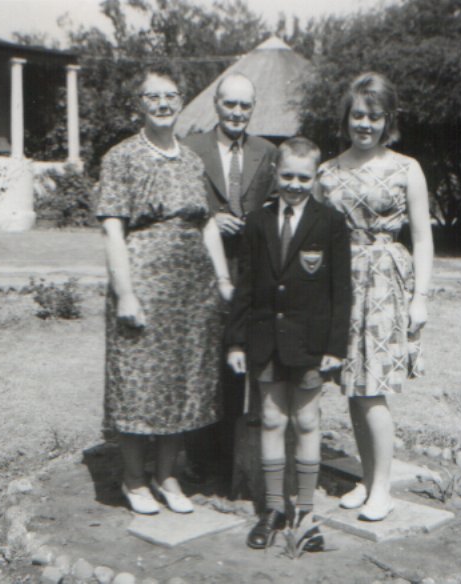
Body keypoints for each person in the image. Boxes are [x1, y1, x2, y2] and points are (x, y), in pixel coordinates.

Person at [96, 66, 233, 515]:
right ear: (139, 104)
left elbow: (207, 225)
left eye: (170, 95)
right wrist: (126, 293)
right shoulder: (120, 157)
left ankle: (167, 475)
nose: (162, 104)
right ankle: (134, 478)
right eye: (152, 96)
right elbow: (113, 231)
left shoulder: (191, 160)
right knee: (137, 380)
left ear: (181, 101)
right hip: (144, 284)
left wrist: (222, 280)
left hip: (192, 292)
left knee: (182, 381)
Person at [318, 72, 434, 521]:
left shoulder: (407, 169)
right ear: (346, 118)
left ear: (388, 121)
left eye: (374, 116)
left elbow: (422, 239)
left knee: (374, 390)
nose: (365, 124)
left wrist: (420, 299)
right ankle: (368, 479)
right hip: (342, 282)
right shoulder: (328, 173)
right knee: (353, 387)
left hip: (386, 284)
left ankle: (382, 489)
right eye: (358, 115)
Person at [226, 137, 352, 548]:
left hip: (310, 345)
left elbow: (341, 291)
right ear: (274, 174)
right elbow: (245, 287)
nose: (295, 185)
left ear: (315, 177)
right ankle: (274, 509)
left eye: (304, 177)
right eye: (287, 176)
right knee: (272, 420)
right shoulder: (257, 222)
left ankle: (307, 513)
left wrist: (335, 347)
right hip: (265, 341)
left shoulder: (330, 222)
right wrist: (236, 343)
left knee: (308, 421)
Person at [183, 73, 277, 484]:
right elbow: (179, 206)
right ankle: (197, 457)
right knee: (201, 359)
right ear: (216, 105)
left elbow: (276, 205)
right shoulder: (191, 148)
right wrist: (210, 219)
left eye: (245, 106)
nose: (237, 113)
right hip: (201, 269)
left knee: (239, 359)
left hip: (250, 271)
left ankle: (235, 460)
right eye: (230, 104)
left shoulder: (266, 152)